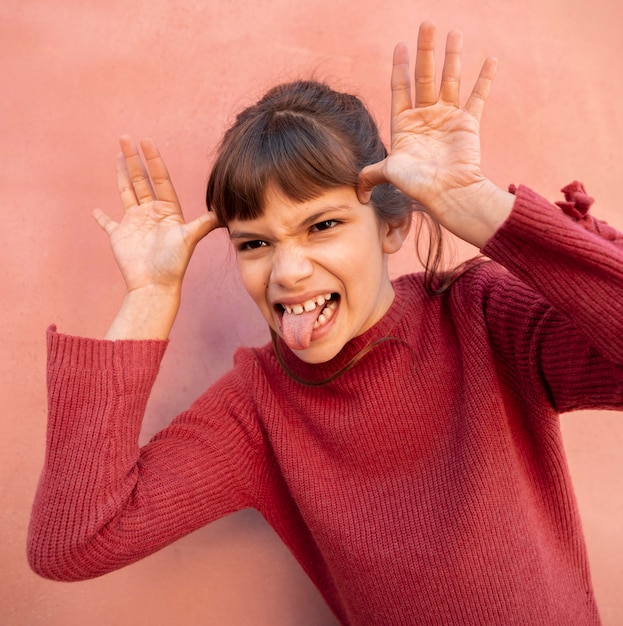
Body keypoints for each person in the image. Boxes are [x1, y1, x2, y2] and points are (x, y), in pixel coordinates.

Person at [28, 21, 622, 626]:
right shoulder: (258, 408)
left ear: (392, 226)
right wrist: (150, 296)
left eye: (323, 226)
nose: (287, 271)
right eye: (255, 242)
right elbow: (74, 543)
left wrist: (478, 206)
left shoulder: (485, 316)